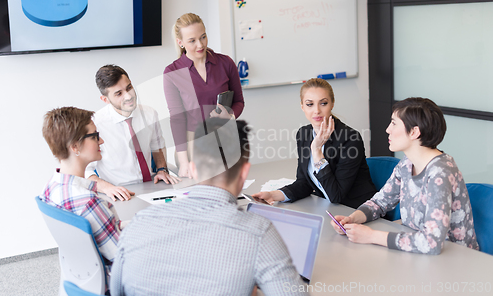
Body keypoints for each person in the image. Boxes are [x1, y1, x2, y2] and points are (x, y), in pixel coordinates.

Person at [110, 118, 308, 296]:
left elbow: (115, 290)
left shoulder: (138, 223)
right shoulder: (258, 233)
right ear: (244, 173)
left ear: (193, 169)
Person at [330, 97, 480, 255]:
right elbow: (380, 202)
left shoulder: (440, 173)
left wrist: (371, 236)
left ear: (414, 132)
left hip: (454, 259)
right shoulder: (407, 163)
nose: (388, 129)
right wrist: (353, 219)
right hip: (416, 252)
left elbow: (431, 243)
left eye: (394, 123)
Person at [253, 78, 377, 209]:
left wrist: (317, 151)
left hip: (355, 210)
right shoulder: (304, 134)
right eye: (310, 104)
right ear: (302, 106)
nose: (317, 110)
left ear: (332, 104)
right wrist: (273, 195)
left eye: (323, 103)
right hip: (327, 209)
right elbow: (305, 182)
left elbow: (336, 196)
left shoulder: (350, 139)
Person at [163, 13, 245, 179]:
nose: (200, 45)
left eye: (203, 37)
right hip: (193, 145)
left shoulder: (225, 63)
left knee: (232, 197)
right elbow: (177, 118)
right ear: (181, 42)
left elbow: (239, 101)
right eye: (192, 40)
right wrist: (183, 161)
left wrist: (229, 116)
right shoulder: (173, 72)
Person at [40, 107, 123, 262]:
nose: (101, 141)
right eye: (94, 136)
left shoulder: (50, 188)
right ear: (75, 146)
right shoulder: (88, 202)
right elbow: (123, 258)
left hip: (83, 276)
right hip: (114, 278)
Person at [85, 65, 179, 201]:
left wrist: (162, 169)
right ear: (105, 100)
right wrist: (107, 188)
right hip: (120, 193)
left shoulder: (149, 114)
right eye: (119, 94)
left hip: (153, 186)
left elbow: (157, 146)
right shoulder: (95, 125)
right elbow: (86, 171)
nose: (129, 96)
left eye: (129, 88)